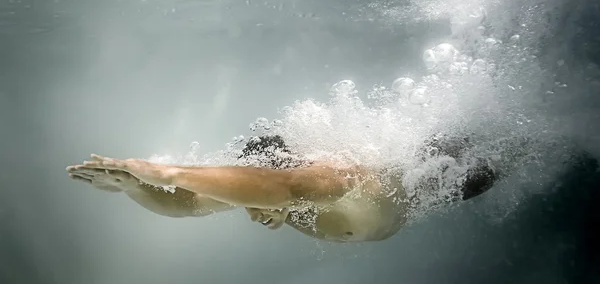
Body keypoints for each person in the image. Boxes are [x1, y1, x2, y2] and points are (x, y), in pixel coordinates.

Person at [66, 134, 496, 243]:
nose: (250, 214)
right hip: (398, 214)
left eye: (250, 197)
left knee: (491, 161)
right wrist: (131, 189)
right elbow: (183, 208)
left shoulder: (329, 175)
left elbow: (286, 186)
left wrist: (169, 173)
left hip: (434, 181)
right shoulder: (252, 192)